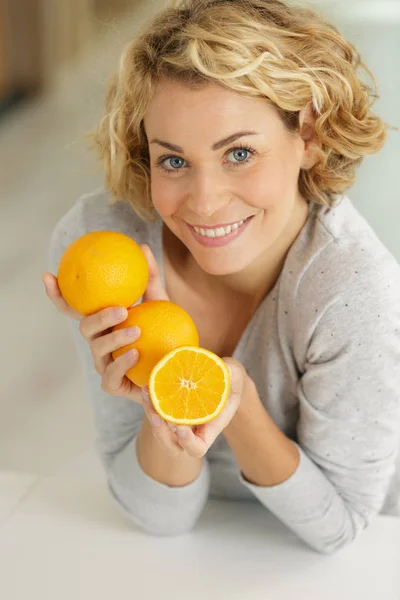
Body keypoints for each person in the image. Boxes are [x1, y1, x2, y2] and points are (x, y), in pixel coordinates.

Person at [43, 0, 400, 555]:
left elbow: (340, 525)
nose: (204, 203)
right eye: (174, 161)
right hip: (203, 549)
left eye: (238, 152)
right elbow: (159, 519)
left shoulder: (354, 290)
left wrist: (235, 403)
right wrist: (158, 406)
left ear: (308, 136)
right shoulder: (102, 248)